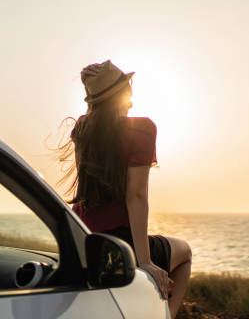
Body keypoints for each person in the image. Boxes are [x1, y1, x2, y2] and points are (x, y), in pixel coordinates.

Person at [58, 60, 192, 318]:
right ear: (122, 92)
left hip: (85, 237)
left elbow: (89, 191)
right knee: (184, 252)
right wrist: (145, 262)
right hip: (120, 242)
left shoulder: (82, 129)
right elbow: (136, 197)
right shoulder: (141, 129)